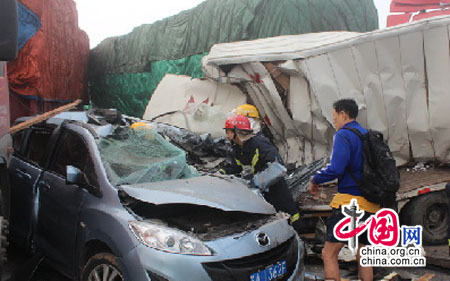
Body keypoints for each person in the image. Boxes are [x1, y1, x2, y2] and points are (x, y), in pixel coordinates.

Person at [309, 99, 380, 281]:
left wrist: (316, 179)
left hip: (350, 205)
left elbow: (336, 168)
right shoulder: (368, 135)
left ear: (343, 114)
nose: (334, 121)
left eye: (334, 116)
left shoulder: (343, 135)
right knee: (364, 253)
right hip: (372, 204)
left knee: (329, 253)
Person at [220, 114, 307, 233]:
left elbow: (278, 167)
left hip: (275, 187)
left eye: (228, 131)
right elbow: (234, 168)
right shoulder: (236, 148)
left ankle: (301, 236)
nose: (226, 135)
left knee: (290, 215)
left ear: (236, 132)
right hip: (260, 190)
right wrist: (219, 175)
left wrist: (256, 182)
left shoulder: (259, 143)